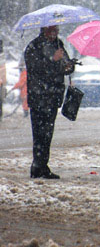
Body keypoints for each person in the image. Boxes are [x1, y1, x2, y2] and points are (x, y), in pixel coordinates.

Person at [25, 25, 75, 179]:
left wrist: (68, 66)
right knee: (39, 133)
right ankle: (37, 166)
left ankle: (43, 165)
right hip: (39, 96)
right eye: (51, 30)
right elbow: (34, 68)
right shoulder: (34, 46)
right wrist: (53, 60)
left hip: (53, 96)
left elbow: (65, 66)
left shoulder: (58, 44)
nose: (54, 34)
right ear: (44, 30)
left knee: (47, 134)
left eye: (56, 30)